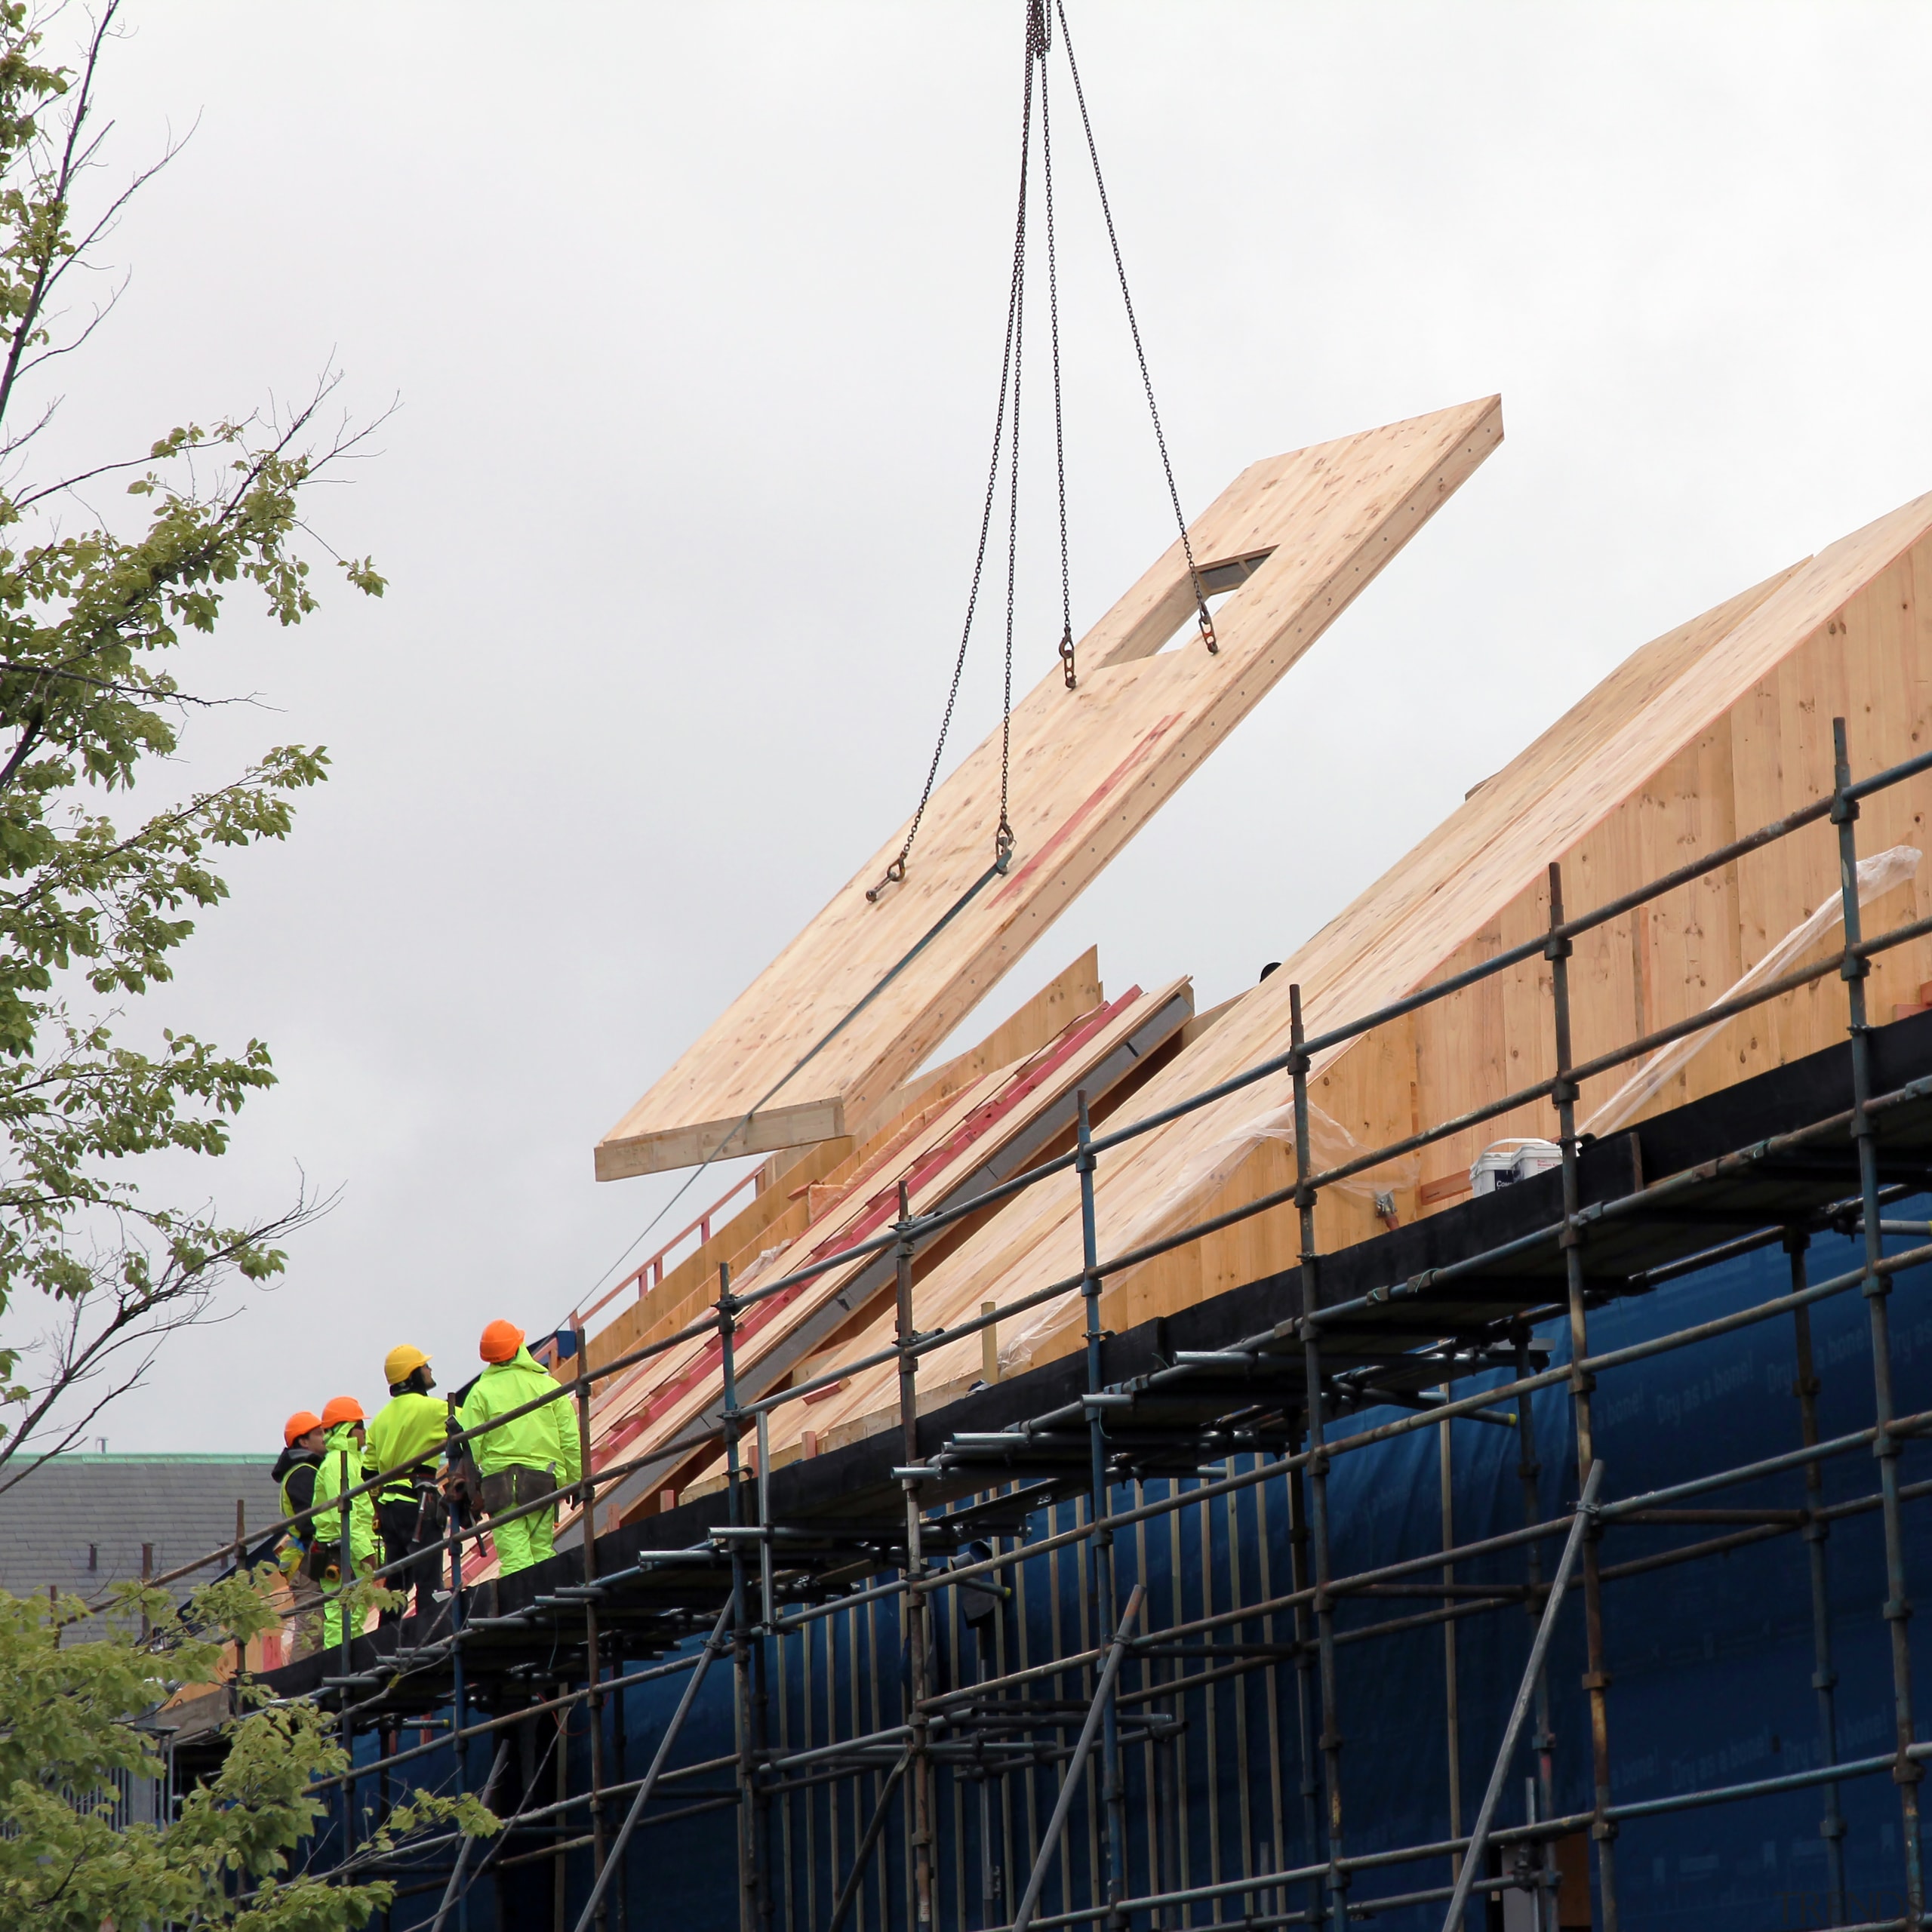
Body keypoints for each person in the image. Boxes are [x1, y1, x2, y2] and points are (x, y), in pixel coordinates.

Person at [456, 1320, 580, 1577]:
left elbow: (468, 1448)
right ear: (519, 1348)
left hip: (498, 1483)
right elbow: (569, 1440)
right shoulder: (547, 1386)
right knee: (541, 1551)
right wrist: (574, 1481)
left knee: (515, 1559)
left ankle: (523, 1609)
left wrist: (468, 1491)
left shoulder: (480, 1392)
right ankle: (546, 1610)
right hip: (541, 1479)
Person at [364, 1344, 448, 1628]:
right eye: (424, 1366)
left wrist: (378, 1511)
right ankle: (429, 1638)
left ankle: (385, 1643)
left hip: (389, 1510)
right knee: (428, 1580)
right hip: (419, 1504)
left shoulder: (380, 1420)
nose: (430, 1369)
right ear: (412, 1376)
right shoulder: (434, 1409)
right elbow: (476, 1424)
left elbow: (368, 1472)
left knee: (396, 1585)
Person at [309, 1395, 377, 1652]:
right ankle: (341, 1669)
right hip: (342, 1551)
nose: (364, 1432)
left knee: (354, 1615)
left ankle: (348, 1665)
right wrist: (366, 1552)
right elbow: (345, 1515)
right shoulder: (339, 1463)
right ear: (348, 1428)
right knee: (342, 1616)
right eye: (360, 1426)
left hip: (350, 1549)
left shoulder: (351, 1460)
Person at [270, 1411, 326, 1660]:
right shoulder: (304, 1473)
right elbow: (308, 1522)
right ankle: (300, 1690)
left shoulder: (302, 1470)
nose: (325, 1437)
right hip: (307, 1561)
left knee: (316, 1627)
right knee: (312, 1628)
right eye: (319, 1433)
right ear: (303, 1442)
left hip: (304, 1559)